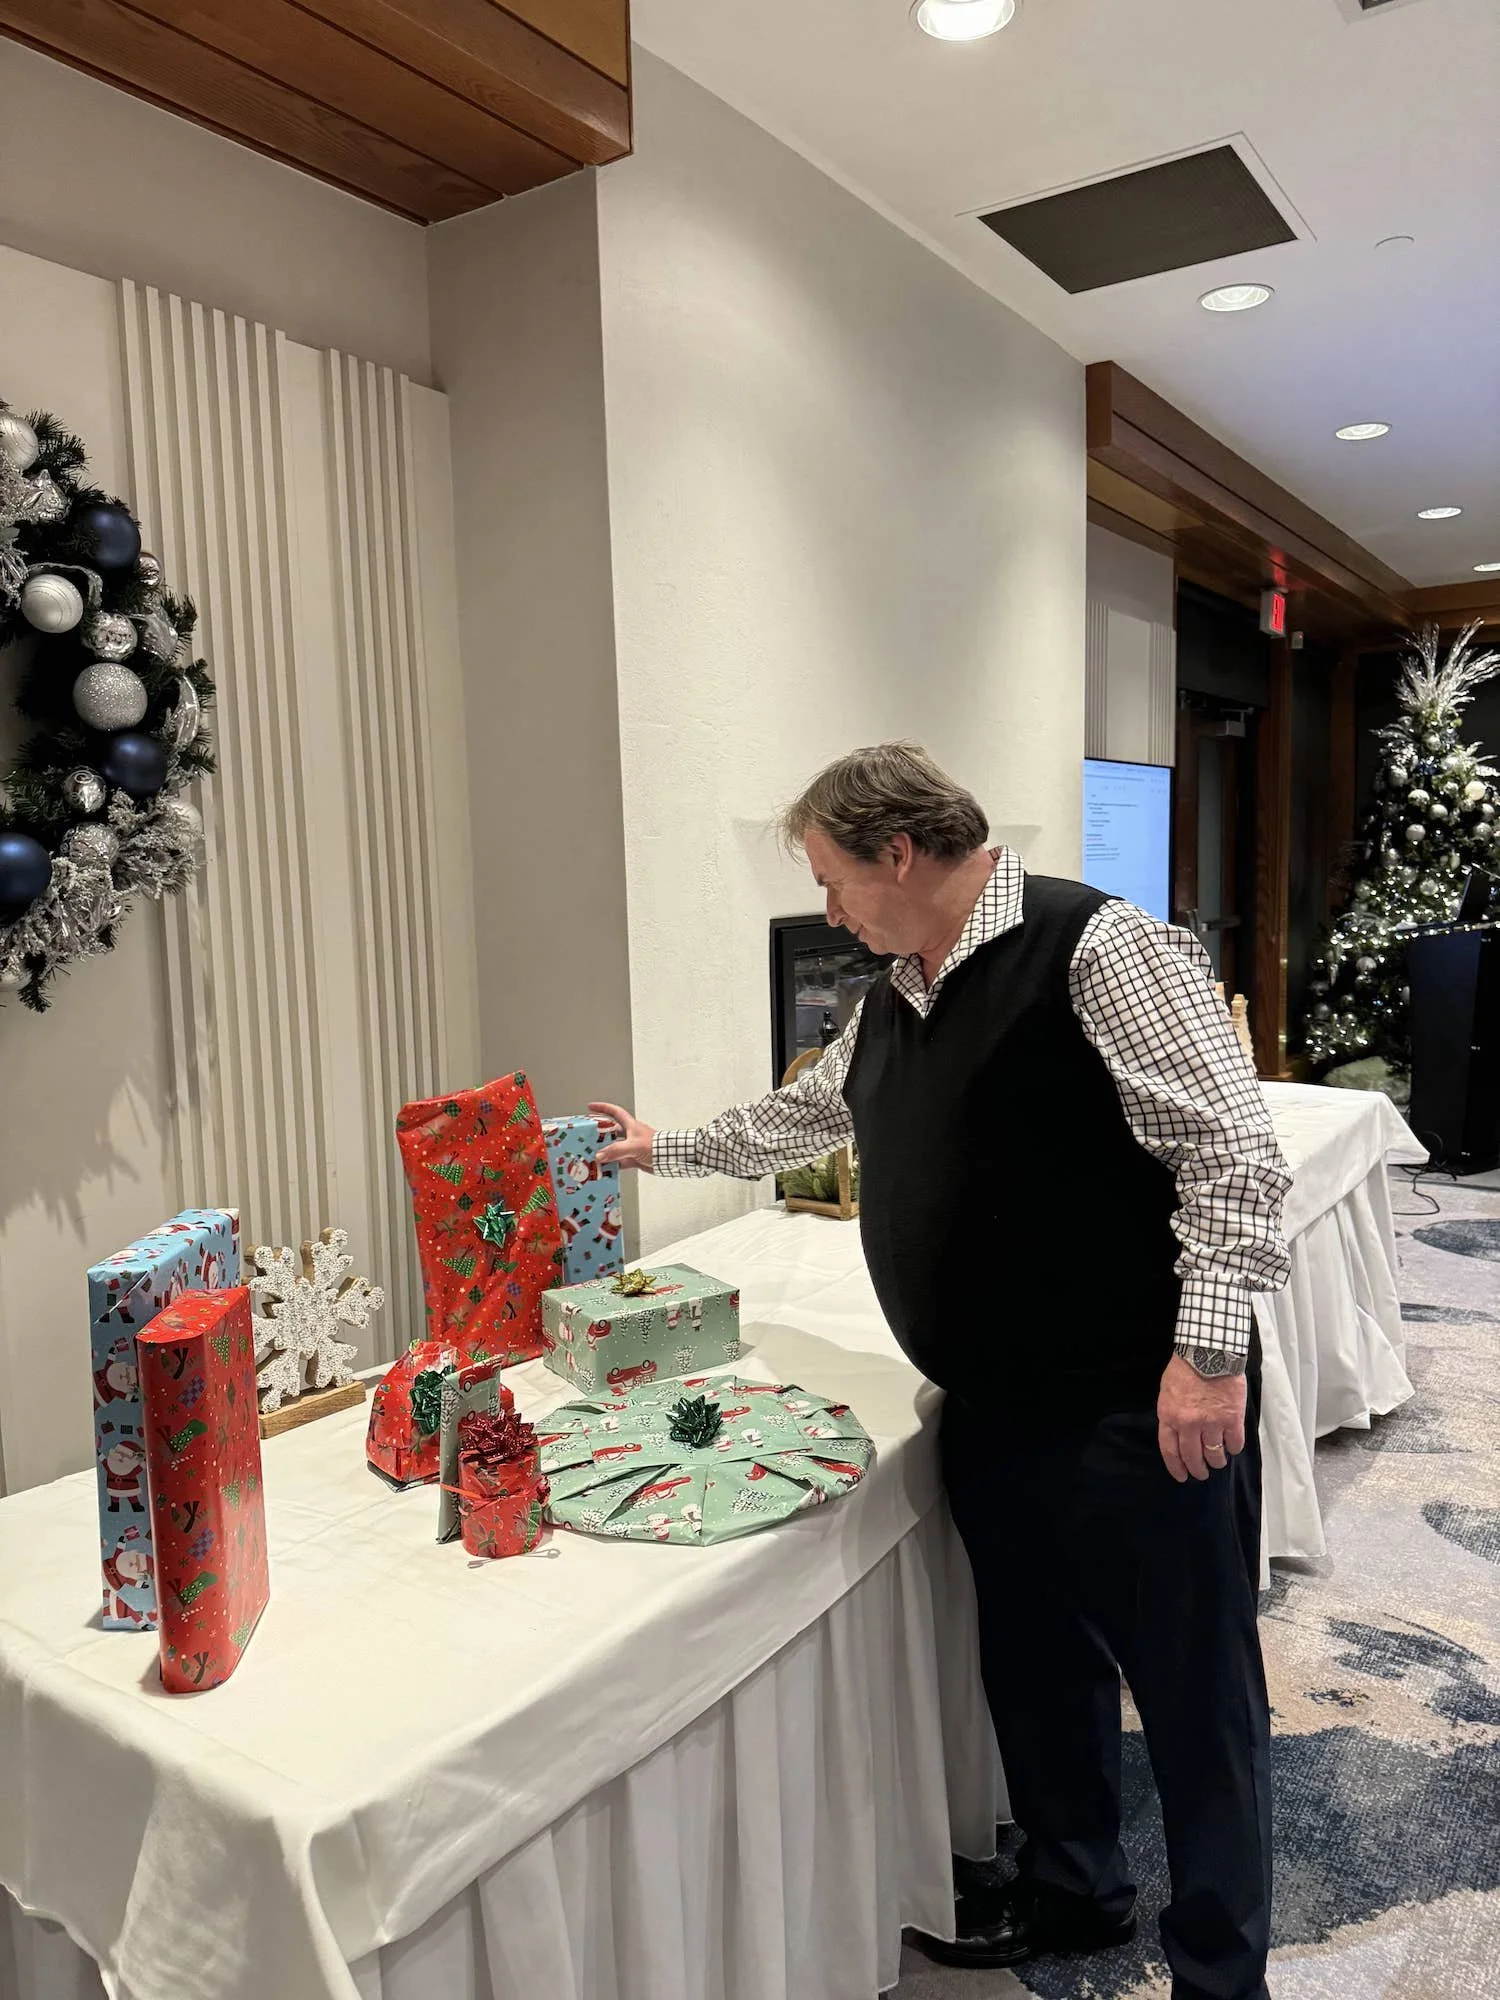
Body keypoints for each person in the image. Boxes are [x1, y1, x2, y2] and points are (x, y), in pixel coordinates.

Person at [593, 742, 1290, 2000]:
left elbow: (1232, 1152)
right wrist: (661, 1147)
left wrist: (1207, 1354)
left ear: (899, 852)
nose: (827, 908)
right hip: (992, 1407)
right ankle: (1078, 1889)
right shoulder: (895, 993)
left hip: (1137, 1404)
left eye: (830, 877)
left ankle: (1221, 1973)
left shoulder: (1097, 946)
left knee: (1199, 1706)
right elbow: (801, 1115)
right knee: (1039, 1671)